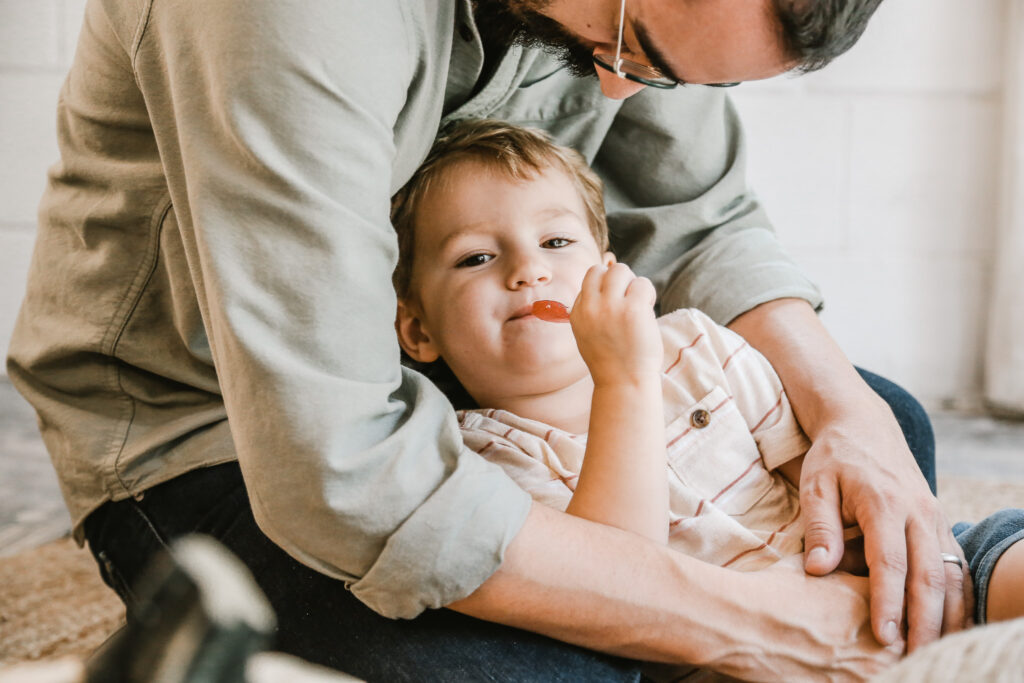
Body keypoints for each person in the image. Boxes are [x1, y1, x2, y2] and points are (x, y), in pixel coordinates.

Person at [5, 0, 966, 679]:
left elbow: (695, 217)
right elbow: (338, 470)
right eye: (634, 51)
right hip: (231, 440)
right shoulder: (286, 15)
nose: (615, 95)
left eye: (663, 75)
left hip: (480, 375)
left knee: (887, 431)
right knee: (529, 672)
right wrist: (749, 626)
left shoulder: (641, 27)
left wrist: (853, 419)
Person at [391, 119, 1024, 657]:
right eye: (477, 258)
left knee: (994, 555)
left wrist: (873, 573)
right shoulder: (480, 455)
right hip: (725, 652)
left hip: (859, 576)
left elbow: (819, 482)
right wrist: (624, 378)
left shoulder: (696, 343)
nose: (529, 269)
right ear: (418, 331)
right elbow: (618, 579)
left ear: (609, 269)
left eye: (556, 241)